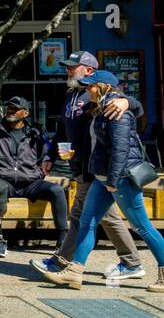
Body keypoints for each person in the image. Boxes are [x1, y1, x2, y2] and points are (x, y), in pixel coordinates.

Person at [43, 71, 164, 292]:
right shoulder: (100, 108)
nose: (87, 90)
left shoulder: (118, 111)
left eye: (90, 86)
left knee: (143, 227)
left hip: (121, 178)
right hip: (101, 178)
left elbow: (120, 149)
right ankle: (74, 272)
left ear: (103, 87)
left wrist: (113, 180)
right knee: (87, 223)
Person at [33, 51, 142, 282]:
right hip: (79, 164)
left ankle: (62, 262)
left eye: (73, 67)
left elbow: (136, 107)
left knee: (81, 217)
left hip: (93, 167)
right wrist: (51, 155)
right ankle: (132, 261)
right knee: (105, 218)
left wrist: (127, 101)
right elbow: (63, 129)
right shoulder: (71, 95)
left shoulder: (100, 95)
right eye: (67, 67)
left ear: (90, 71)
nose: (68, 70)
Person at [0, 96, 69, 259]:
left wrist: (38, 173)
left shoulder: (35, 133)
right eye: (9, 108)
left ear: (25, 112)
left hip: (30, 181)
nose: (10, 111)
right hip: (3, 179)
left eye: (15, 109)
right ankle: (0, 241)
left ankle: (63, 240)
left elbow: (45, 157)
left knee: (57, 190)